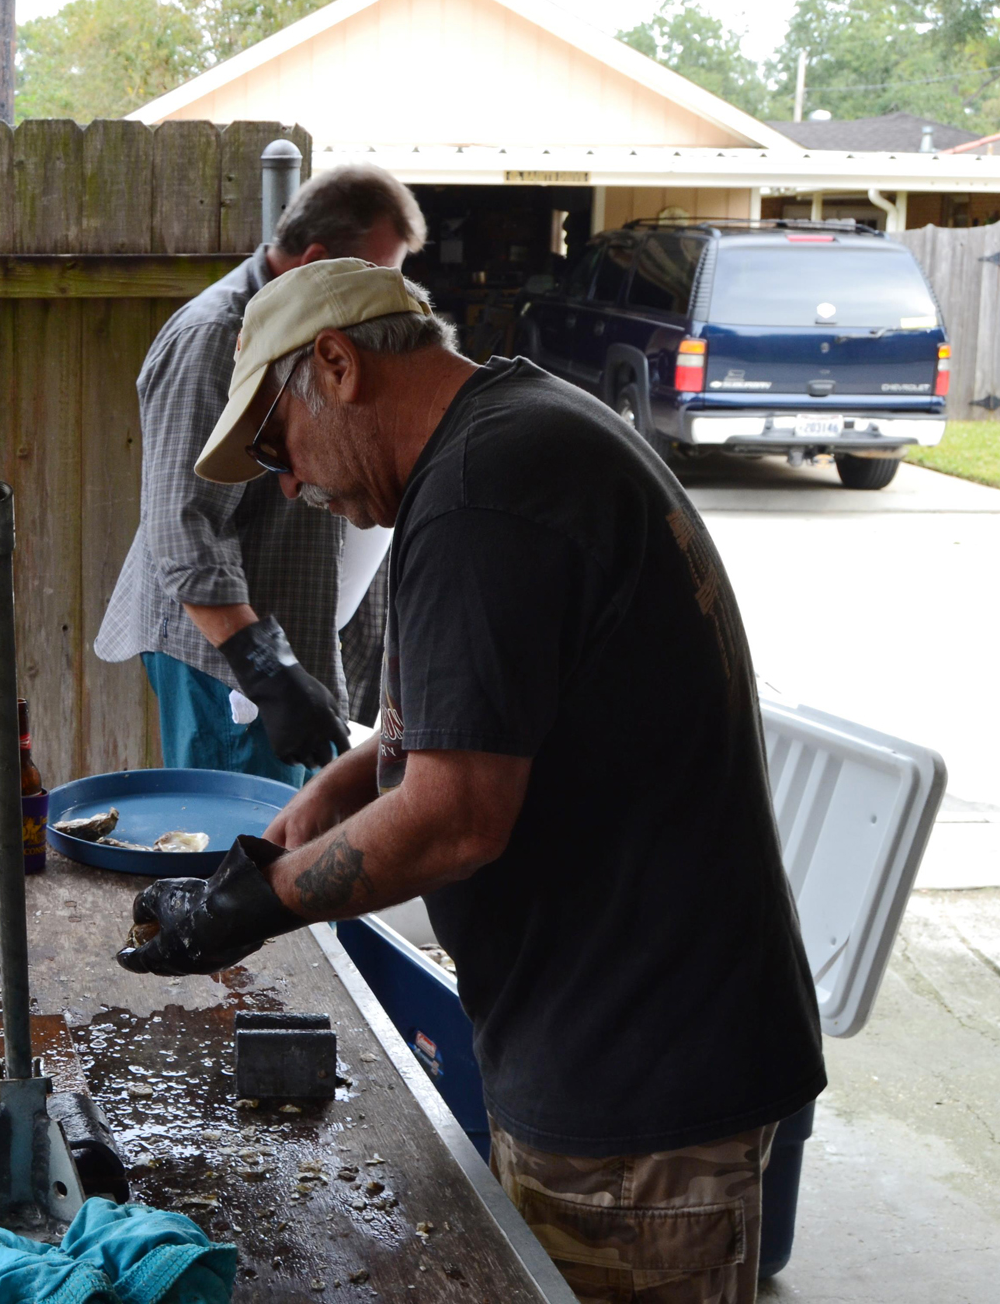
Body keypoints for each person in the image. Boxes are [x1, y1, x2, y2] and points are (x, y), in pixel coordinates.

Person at [118, 259, 825, 1304]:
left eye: (274, 442)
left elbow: (455, 819)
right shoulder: (510, 435)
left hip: (633, 1071)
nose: (288, 484)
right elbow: (473, 731)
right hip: (624, 1028)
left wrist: (255, 904)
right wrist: (327, 798)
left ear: (336, 364)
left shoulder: (481, 497)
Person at [94, 165, 425, 786]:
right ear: (316, 260)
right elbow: (181, 522)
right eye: (375, 276)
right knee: (238, 833)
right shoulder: (215, 336)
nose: (387, 298)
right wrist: (264, 669)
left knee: (286, 826)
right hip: (224, 658)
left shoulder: (315, 329)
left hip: (284, 635)